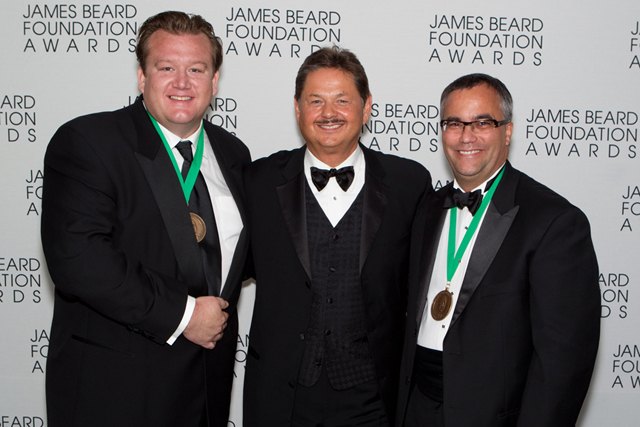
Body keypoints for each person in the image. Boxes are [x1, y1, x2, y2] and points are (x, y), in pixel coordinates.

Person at [41, 11, 250, 427]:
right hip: (116, 394)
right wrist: (186, 314)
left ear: (214, 80)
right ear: (141, 77)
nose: (182, 83)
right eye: (166, 68)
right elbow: (79, 261)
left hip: (207, 393)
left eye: (196, 69)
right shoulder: (89, 142)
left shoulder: (234, 154)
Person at [396, 73, 601, 427]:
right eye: (454, 123)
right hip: (416, 408)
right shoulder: (424, 209)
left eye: (483, 122)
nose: (466, 136)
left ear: (508, 131)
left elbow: (563, 363)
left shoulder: (554, 222)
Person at [242, 46, 432, 426]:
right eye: (316, 101)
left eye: (342, 100)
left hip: (373, 398)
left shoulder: (409, 183)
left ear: (366, 107)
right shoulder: (258, 181)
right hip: (282, 398)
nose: (329, 113)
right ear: (298, 109)